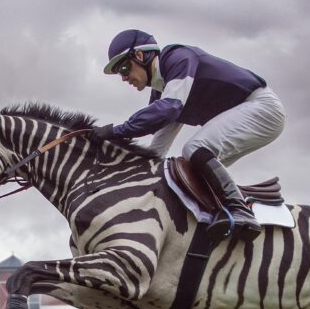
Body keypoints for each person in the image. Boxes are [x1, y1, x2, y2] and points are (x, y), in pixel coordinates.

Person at [90, 29, 286, 241]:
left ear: (140, 55)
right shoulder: (163, 90)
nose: (124, 77)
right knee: (188, 173)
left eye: (124, 67)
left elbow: (167, 109)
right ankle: (215, 221)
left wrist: (115, 132)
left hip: (261, 107)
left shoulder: (176, 58)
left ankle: (240, 212)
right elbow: (156, 151)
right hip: (254, 111)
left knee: (194, 149)